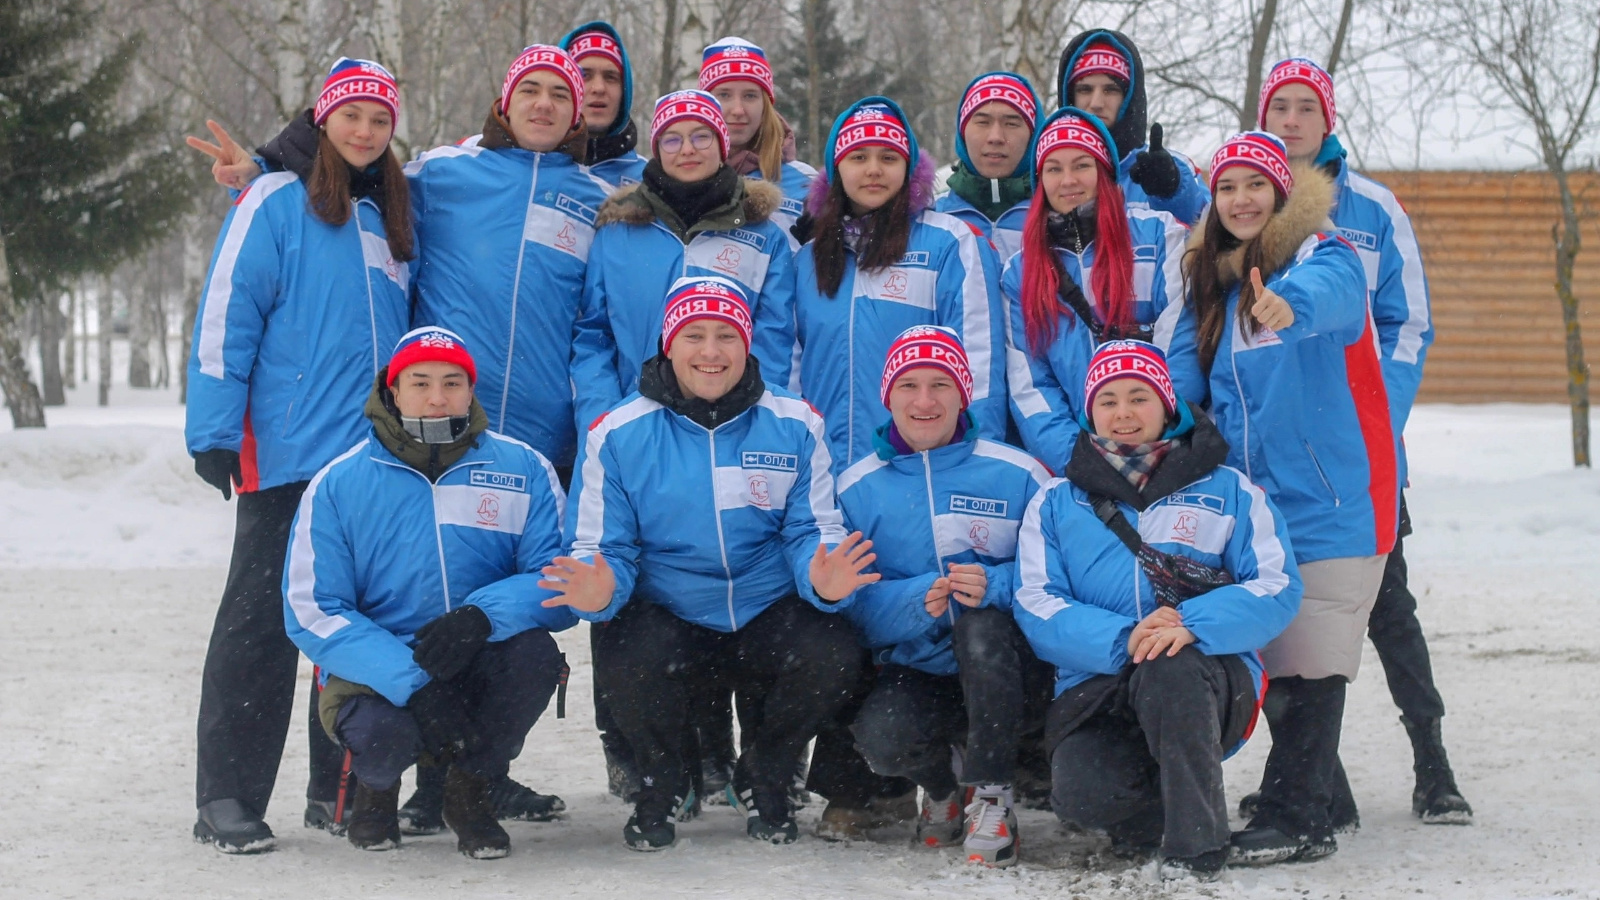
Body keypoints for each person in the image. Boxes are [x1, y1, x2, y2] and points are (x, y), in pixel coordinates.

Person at [547, 279, 877, 850]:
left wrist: (822, 578)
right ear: (668, 346)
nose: (710, 351)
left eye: (726, 335)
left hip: (763, 605)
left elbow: (811, 528)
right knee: (621, 644)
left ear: (746, 345)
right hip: (672, 611)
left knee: (834, 648)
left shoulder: (795, 423)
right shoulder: (617, 432)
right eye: (693, 335)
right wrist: (602, 589)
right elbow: (607, 546)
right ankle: (664, 779)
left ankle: (766, 772)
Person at [184, 57, 413, 854]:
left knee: (351, 627)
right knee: (259, 630)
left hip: (369, 467)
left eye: (379, 120)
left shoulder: (389, 215)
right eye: (351, 115)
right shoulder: (276, 200)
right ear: (322, 120)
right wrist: (213, 429)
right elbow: (227, 309)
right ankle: (226, 798)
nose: (364, 131)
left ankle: (337, 790)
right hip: (287, 455)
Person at [193, 45, 612, 478]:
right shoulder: (442, 174)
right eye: (530, 89)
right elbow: (354, 179)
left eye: (561, 94)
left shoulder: (599, 201)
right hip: (441, 431)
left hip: (551, 442)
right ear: (506, 100)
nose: (544, 103)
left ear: (577, 113)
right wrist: (265, 172)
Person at [1165, 131, 1399, 864]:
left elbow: (1335, 295)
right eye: (1227, 188)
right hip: (1259, 507)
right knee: (1279, 655)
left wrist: (1287, 305)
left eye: (1254, 187)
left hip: (1332, 500)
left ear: (1282, 196)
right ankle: (1318, 792)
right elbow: (1184, 374)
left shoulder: (1319, 258)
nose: (1239, 200)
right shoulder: (1219, 282)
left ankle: (1300, 817)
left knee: (1311, 660)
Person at [1257, 56, 1468, 826]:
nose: (1290, 120)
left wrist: (1375, 417)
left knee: (1389, 611)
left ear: (1328, 119)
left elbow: (1407, 326)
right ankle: (1319, 784)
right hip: (1271, 460)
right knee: (1287, 614)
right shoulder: (1243, 203)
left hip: (1361, 457)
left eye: (1304, 107)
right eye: (1278, 105)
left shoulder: (1373, 209)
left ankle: (1433, 760)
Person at [1014, 339, 1301, 881]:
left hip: (1208, 677)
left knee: (1170, 665)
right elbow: (1035, 602)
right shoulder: (1054, 500)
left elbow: (1277, 584)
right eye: (1109, 400)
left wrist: (1190, 627)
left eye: (1139, 397)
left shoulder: (1230, 490)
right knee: (1081, 796)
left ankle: (1197, 848)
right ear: (1089, 412)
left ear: (1168, 404)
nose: (1123, 413)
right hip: (1099, 683)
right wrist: (1126, 636)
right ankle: (1157, 818)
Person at [282, 326, 572, 859]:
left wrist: (480, 619)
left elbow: (558, 577)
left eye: (453, 382)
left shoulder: (522, 468)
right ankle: (377, 791)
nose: (438, 398)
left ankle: (468, 792)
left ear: (471, 389)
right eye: (420, 382)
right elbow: (313, 608)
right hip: (379, 669)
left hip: (482, 651)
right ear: (393, 390)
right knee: (383, 733)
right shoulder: (339, 483)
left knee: (535, 658)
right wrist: (413, 683)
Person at [834, 326, 1053, 867]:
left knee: (979, 624)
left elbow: (1058, 572)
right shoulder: (857, 487)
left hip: (1010, 669)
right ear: (888, 397)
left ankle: (992, 794)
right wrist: (913, 602)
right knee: (882, 740)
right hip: (923, 668)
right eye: (909, 386)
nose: (925, 401)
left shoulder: (1018, 472)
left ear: (964, 393)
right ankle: (942, 790)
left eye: (941, 385)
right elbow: (852, 609)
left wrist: (997, 585)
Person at [794, 96, 1006, 473]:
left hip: (919, 472)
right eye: (859, 158)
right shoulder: (806, 259)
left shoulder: (952, 244)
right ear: (836, 168)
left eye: (888, 158)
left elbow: (979, 367)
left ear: (909, 169)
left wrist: (974, 467)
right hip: (822, 475)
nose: (874, 170)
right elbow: (789, 369)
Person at [574, 89, 798, 430]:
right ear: (657, 149)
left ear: (722, 145)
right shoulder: (618, 233)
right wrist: (603, 418)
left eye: (701, 136)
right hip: (631, 427)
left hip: (728, 430)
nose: (688, 149)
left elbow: (772, 343)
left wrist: (748, 423)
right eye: (672, 139)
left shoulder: (764, 239)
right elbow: (593, 335)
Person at [1003, 108, 1189, 474]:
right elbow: (1031, 385)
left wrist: (1153, 437)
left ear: (1104, 171)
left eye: (1082, 165)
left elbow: (1183, 342)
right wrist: (1079, 460)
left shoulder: (1159, 235)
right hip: (1082, 468)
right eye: (1053, 169)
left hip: (1166, 453)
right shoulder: (1020, 272)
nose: (1068, 180)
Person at [1055, 29, 1209, 226]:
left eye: (1111, 90)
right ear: (1069, 96)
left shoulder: (1173, 168)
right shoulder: (1047, 172)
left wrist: (1174, 193)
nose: (1096, 103)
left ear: (1130, 98)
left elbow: (1215, 236)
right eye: (1085, 89)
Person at [698, 36, 817, 244]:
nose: (738, 110)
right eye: (724, 95)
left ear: (766, 104)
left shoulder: (806, 183)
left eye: (750, 96)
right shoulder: (680, 180)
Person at [933, 72, 1044, 261]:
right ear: (962, 132)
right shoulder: (933, 218)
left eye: (1011, 123)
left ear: (1033, 135)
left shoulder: (1056, 218)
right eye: (982, 122)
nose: (995, 137)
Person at [560, 21, 647, 188]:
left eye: (610, 77)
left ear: (624, 92)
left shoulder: (648, 181)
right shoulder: (534, 167)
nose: (599, 88)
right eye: (584, 75)